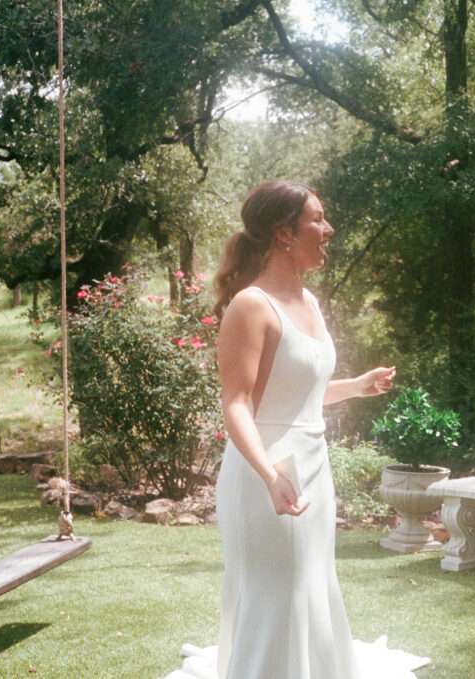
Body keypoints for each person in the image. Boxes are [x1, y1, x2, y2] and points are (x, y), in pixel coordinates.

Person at [163, 180, 426, 679]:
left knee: (310, 583)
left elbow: (298, 391)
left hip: (313, 466)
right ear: (284, 233)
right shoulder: (251, 305)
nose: (328, 230)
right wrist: (269, 474)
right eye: (318, 220)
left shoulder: (309, 302)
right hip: (266, 470)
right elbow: (237, 403)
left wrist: (357, 386)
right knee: (275, 590)